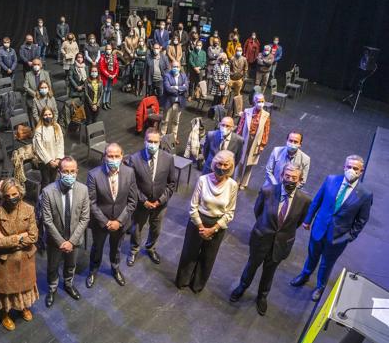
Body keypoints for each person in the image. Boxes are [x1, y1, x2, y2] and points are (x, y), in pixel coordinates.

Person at [230, 164, 311, 315]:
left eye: (294, 178)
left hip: (281, 244)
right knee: (251, 266)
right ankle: (242, 287)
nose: (290, 180)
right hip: (261, 239)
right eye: (287, 176)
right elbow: (258, 211)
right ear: (281, 176)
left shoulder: (305, 200)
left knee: (270, 272)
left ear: (300, 180)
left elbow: (297, 223)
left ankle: (262, 296)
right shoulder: (267, 191)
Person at [290, 155, 372, 302]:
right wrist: (308, 220)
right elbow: (316, 201)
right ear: (344, 167)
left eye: (355, 168)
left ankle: (320, 286)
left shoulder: (365, 194)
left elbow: (361, 220)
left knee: (327, 263)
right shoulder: (331, 180)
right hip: (319, 229)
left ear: (361, 171)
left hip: (338, 237)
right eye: (349, 167)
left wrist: (349, 237)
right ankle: (305, 275)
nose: (351, 170)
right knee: (312, 256)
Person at [175, 150, 238, 292]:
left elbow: (230, 212)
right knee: (188, 253)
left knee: (208, 257)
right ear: (214, 164)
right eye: (219, 164)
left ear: (230, 166)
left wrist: (213, 228)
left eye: (225, 165)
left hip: (217, 226)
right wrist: (201, 226)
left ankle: (197, 284)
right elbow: (193, 206)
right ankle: (182, 280)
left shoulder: (233, 185)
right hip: (197, 222)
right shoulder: (203, 179)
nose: (222, 167)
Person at [86, 143, 138, 288]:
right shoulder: (93, 175)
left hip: (121, 223)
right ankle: (93, 270)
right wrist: (106, 222)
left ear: (122, 157)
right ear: (104, 157)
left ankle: (115, 268)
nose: (113, 159)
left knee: (117, 248)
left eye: (116, 156)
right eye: (110, 156)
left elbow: (132, 201)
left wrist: (119, 222)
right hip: (100, 223)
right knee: (97, 248)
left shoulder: (129, 172)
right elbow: (91, 202)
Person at [41, 156, 90, 307]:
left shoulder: (83, 190)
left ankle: (69, 284)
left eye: (72, 171)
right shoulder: (48, 192)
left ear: (77, 171)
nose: (69, 175)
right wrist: (62, 242)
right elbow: (47, 220)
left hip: (74, 240)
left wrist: (71, 242)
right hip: (55, 241)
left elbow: (84, 218)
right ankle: (52, 288)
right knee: (52, 266)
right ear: (59, 172)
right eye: (65, 171)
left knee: (71, 265)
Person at [0, 179, 39, 331]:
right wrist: (18, 238)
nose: (11, 197)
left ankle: (23, 307)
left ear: (20, 193)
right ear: (2, 196)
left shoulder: (28, 209)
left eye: (14, 194)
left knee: (25, 285)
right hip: (5, 260)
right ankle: (5, 314)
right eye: (7, 195)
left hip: (26, 257)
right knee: (6, 290)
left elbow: (33, 236)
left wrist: (7, 239)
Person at [126, 129, 176, 266]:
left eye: (155, 142)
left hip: (160, 204)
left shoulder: (168, 158)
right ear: (145, 141)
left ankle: (150, 247)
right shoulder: (134, 159)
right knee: (136, 228)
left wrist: (160, 201)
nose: (152, 144)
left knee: (156, 228)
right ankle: (134, 249)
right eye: (150, 141)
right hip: (141, 204)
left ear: (160, 142)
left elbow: (171, 183)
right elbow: (132, 184)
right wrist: (143, 200)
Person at [236, 93, 271, 190]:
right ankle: (237, 180)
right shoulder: (247, 111)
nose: (261, 103)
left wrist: (263, 144)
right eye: (259, 101)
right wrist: (237, 138)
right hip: (245, 137)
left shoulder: (266, 115)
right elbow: (240, 126)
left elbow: (266, 131)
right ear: (254, 102)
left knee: (250, 162)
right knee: (241, 160)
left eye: (262, 101)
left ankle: (244, 182)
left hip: (256, 140)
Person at [33, 107, 64, 188]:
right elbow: (39, 148)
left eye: (50, 114)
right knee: (46, 181)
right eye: (45, 115)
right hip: (44, 161)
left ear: (53, 115)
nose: (48, 116)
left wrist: (58, 158)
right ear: (42, 116)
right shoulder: (39, 130)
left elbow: (61, 143)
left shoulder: (57, 126)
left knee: (53, 180)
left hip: (55, 160)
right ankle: (44, 198)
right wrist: (50, 161)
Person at [160, 61, 188, 143]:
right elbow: (168, 89)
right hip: (168, 102)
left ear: (180, 68)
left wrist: (175, 87)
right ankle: (162, 138)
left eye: (177, 67)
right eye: (174, 67)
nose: (175, 68)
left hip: (179, 103)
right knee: (165, 121)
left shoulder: (184, 76)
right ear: (171, 67)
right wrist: (180, 89)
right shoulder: (167, 76)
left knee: (176, 122)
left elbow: (186, 87)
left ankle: (173, 138)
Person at [98, 44, 119, 110]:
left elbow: (117, 67)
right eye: (107, 49)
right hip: (105, 77)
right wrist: (108, 75)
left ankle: (107, 102)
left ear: (112, 50)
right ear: (105, 50)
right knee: (105, 89)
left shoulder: (114, 57)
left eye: (110, 49)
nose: (108, 50)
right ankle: (104, 103)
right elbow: (101, 68)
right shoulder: (102, 57)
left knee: (109, 89)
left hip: (112, 76)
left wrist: (114, 74)